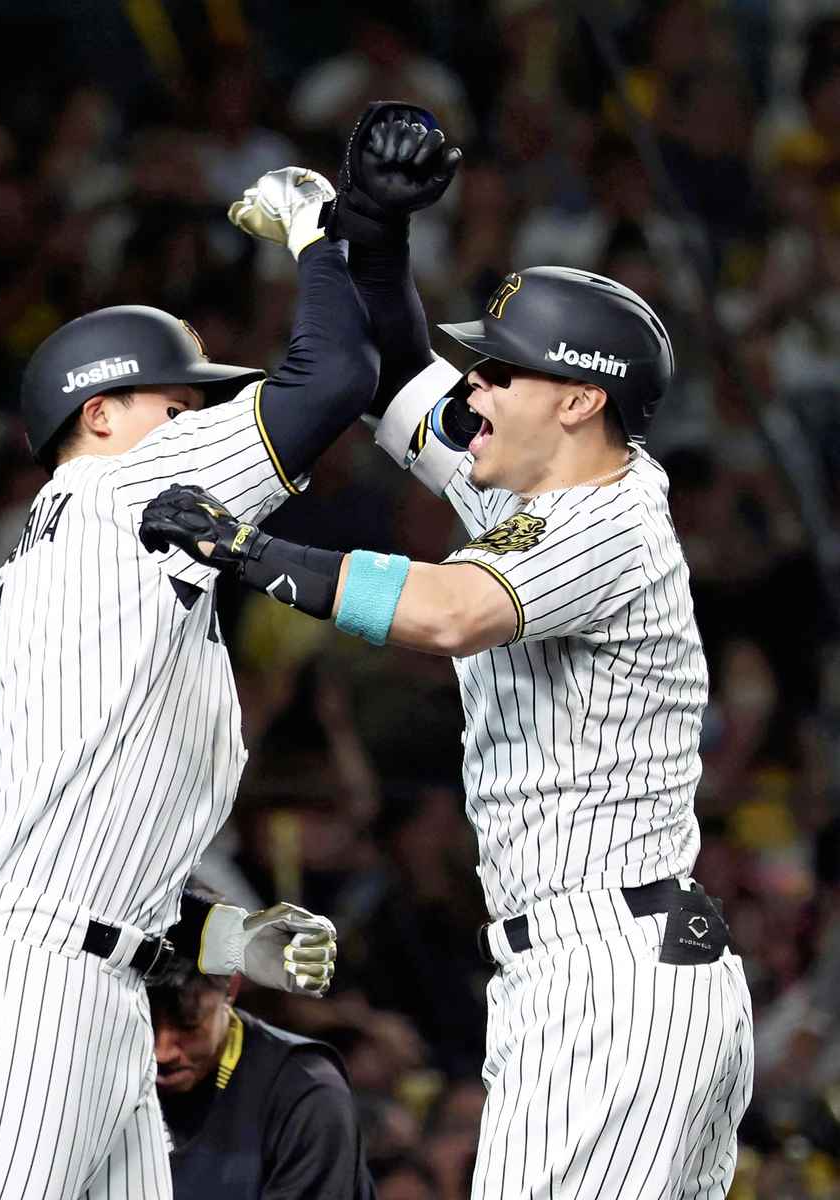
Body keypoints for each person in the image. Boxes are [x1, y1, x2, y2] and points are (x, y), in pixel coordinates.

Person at [141, 106, 755, 1199]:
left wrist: (252, 552)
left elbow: (447, 613)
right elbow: (393, 373)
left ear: (577, 399)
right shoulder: (529, 481)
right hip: (620, 965)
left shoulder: (608, 520)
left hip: (607, 982)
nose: (471, 386)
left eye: (498, 373)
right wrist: (374, 230)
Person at [0, 146, 455, 1200]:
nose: (194, 426)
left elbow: (84, 830)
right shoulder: (121, 496)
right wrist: (317, 235)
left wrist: (223, 936)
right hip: (30, 987)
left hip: (85, 977)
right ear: (98, 415)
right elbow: (334, 374)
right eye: (175, 406)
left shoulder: (73, 566)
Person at [147, 891, 375, 1200]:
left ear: (230, 988)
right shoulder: (96, 1076)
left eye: (189, 1025)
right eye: (146, 1025)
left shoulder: (305, 1092)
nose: (163, 1052)